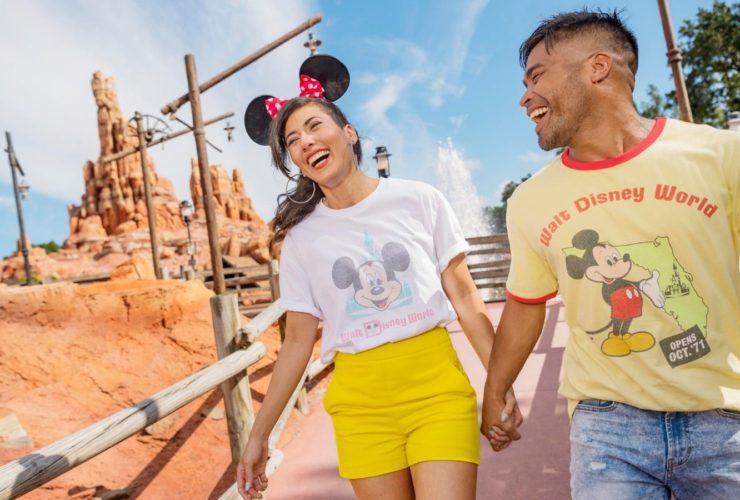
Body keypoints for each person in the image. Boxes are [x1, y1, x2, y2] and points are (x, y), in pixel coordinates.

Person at [481, 9, 740, 499]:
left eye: (537, 76)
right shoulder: (530, 201)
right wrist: (495, 389)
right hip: (607, 425)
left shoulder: (722, 156)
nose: (524, 96)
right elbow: (524, 304)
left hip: (724, 418)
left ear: (597, 67)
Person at [237, 55, 521, 500]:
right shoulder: (300, 242)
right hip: (360, 404)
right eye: (292, 140)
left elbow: (466, 298)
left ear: (348, 133)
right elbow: (297, 342)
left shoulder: (418, 199)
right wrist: (259, 436)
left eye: (314, 126)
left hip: (435, 388)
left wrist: (499, 384)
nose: (305, 141)